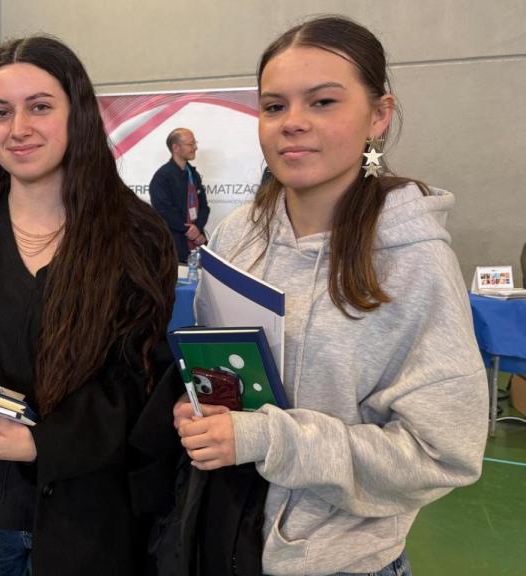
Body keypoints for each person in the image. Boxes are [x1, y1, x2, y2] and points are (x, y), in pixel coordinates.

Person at [174, 16, 488, 575]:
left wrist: (271, 439)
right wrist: (203, 408)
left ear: (378, 115)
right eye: (274, 106)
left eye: (322, 102)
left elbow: (444, 454)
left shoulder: (412, 258)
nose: (293, 123)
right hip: (224, 542)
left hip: (339, 562)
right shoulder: (236, 235)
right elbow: (225, 370)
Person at [0, 36, 177, 575]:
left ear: (78, 115)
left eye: (39, 107)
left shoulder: (136, 237)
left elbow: (141, 382)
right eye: (1, 112)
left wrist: (43, 443)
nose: (18, 128)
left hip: (87, 523)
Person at [148, 128, 209, 261]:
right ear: (175, 147)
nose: (195, 147)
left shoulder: (193, 174)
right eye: (190, 144)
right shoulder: (162, 177)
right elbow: (164, 211)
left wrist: (198, 228)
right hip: (175, 246)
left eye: (195, 143)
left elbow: (204, 207)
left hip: (197, 241)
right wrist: (190, 231)